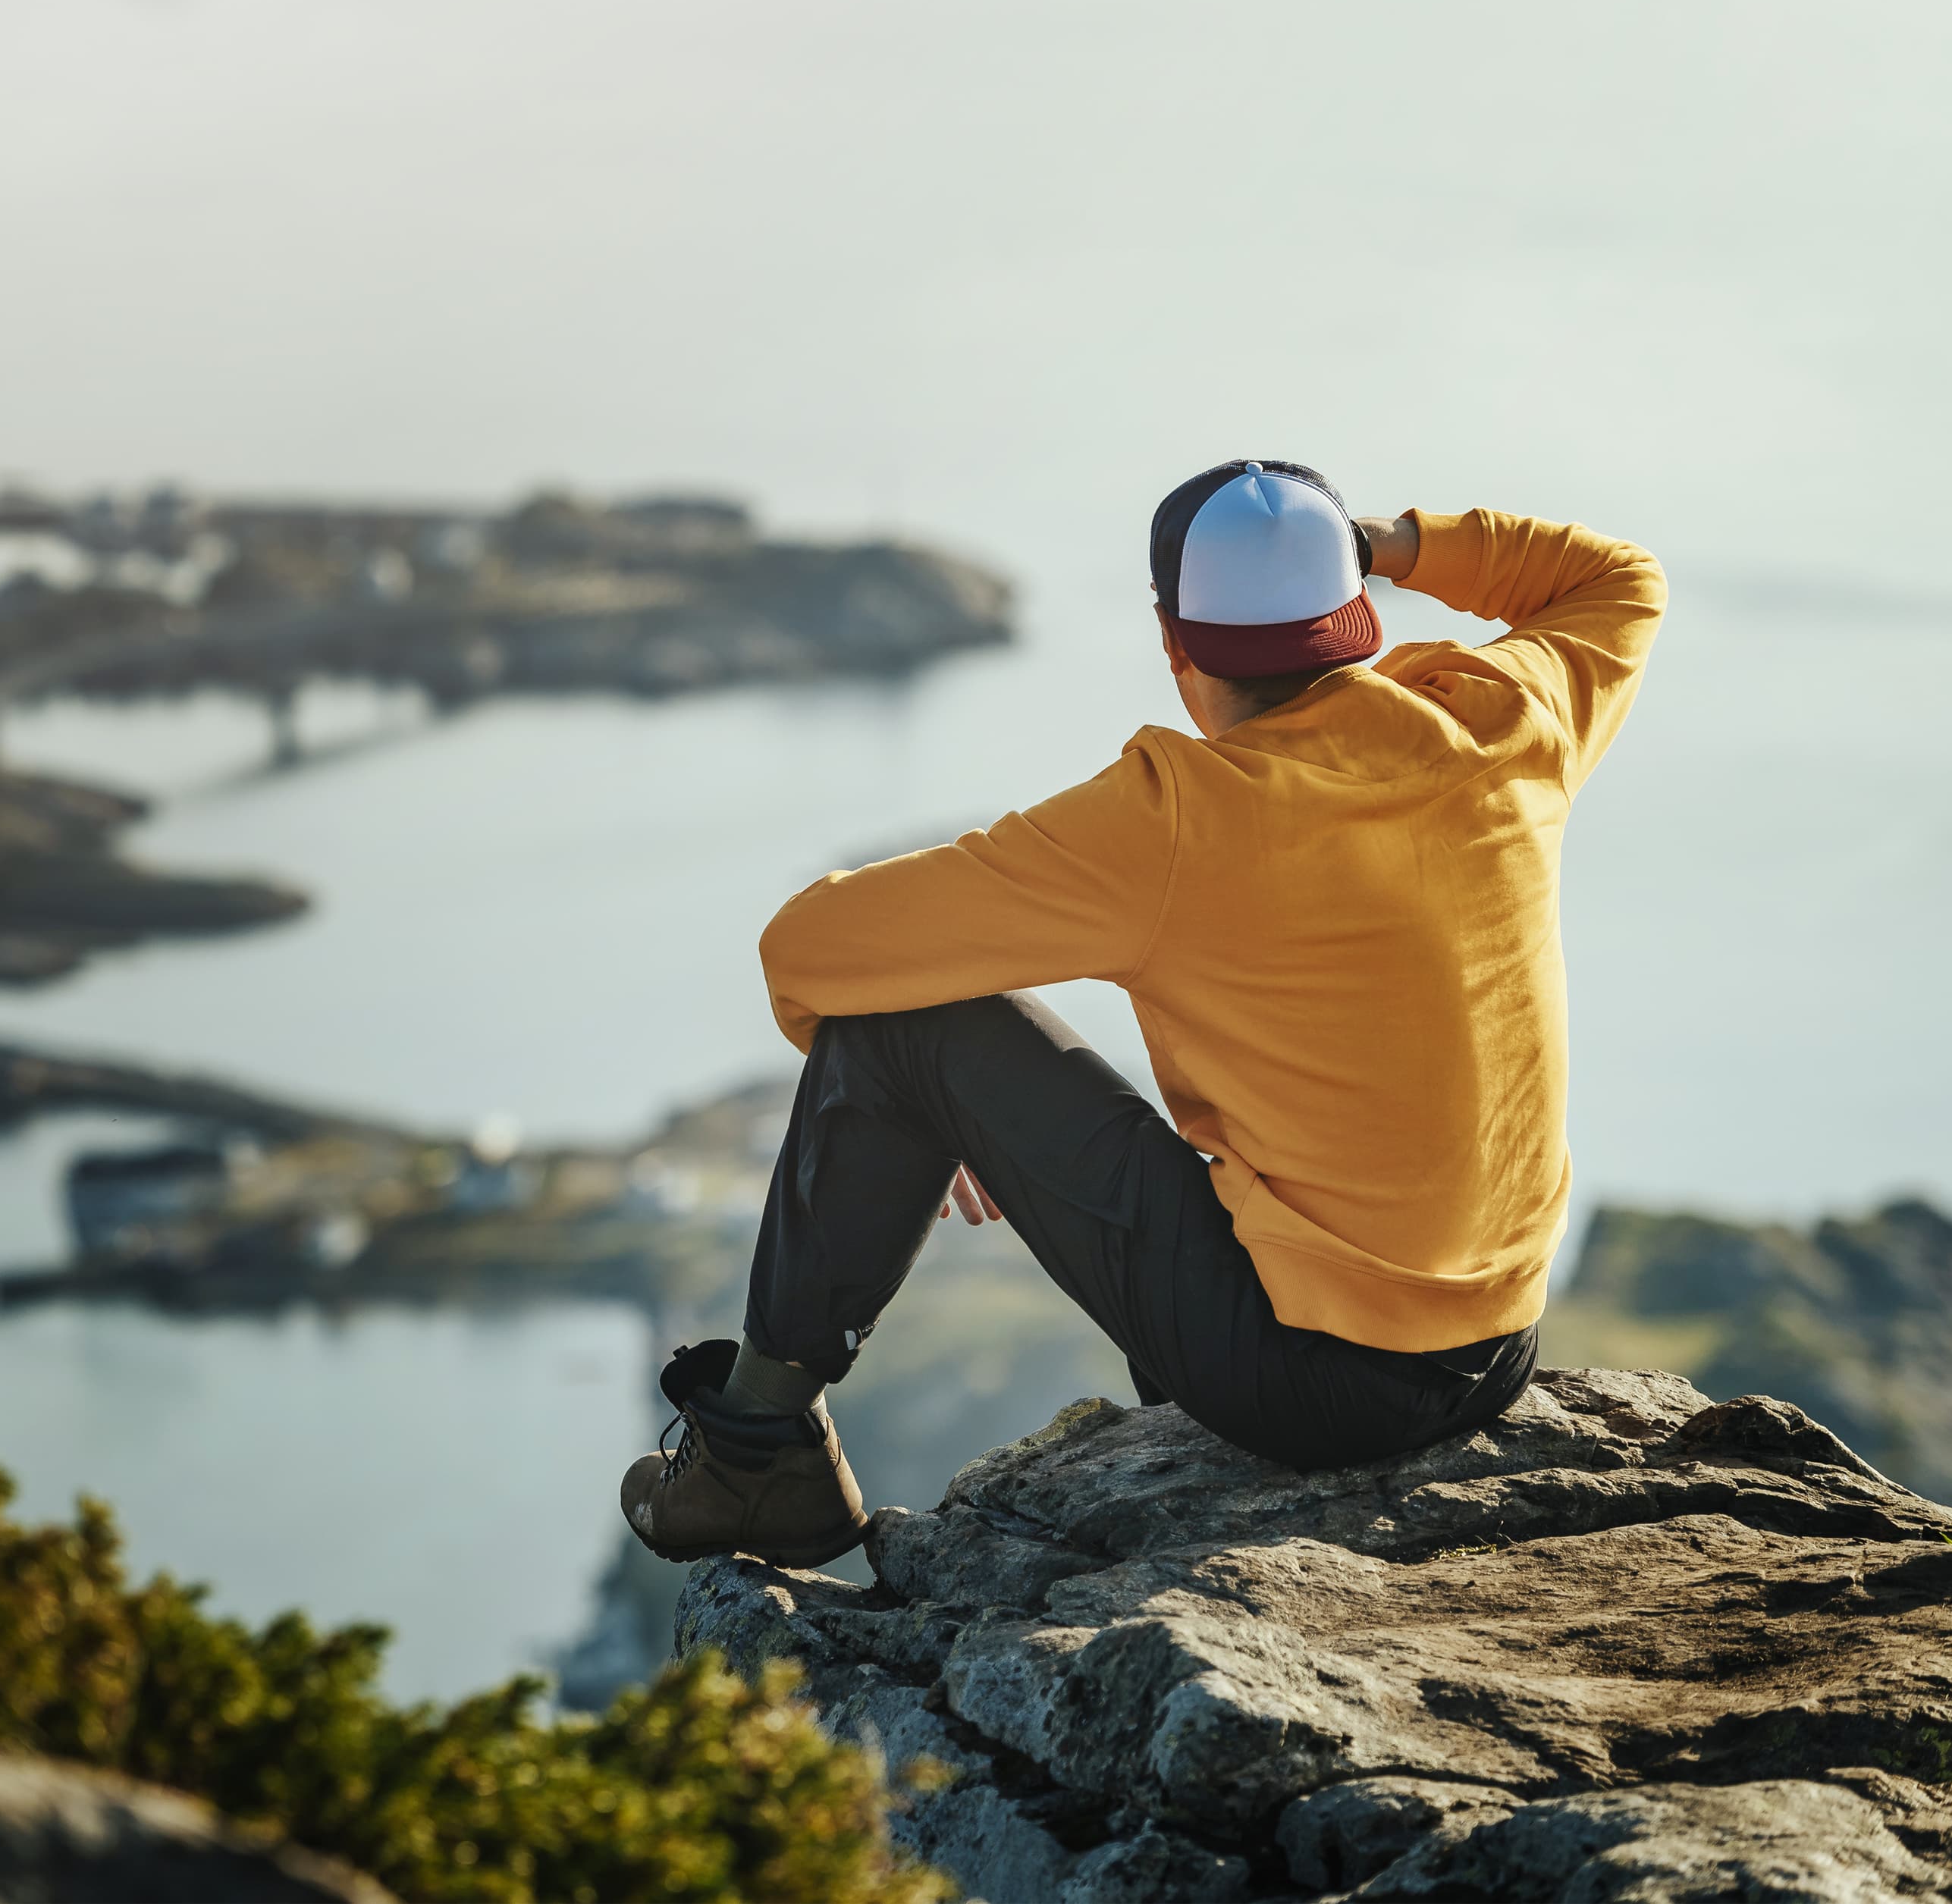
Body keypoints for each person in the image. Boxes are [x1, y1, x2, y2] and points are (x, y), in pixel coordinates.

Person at [619, 460, 1665, 1569]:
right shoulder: (1507, 723)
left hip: (1310, 1390)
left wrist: (916, 1108)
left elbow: (809, 949)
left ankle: (756, 1460)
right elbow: (1616, 577)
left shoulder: (1176, 821)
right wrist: (1387, 539)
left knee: (897, 1026)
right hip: (1499, 1347)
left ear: (1176, 641)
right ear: (1354, 612)